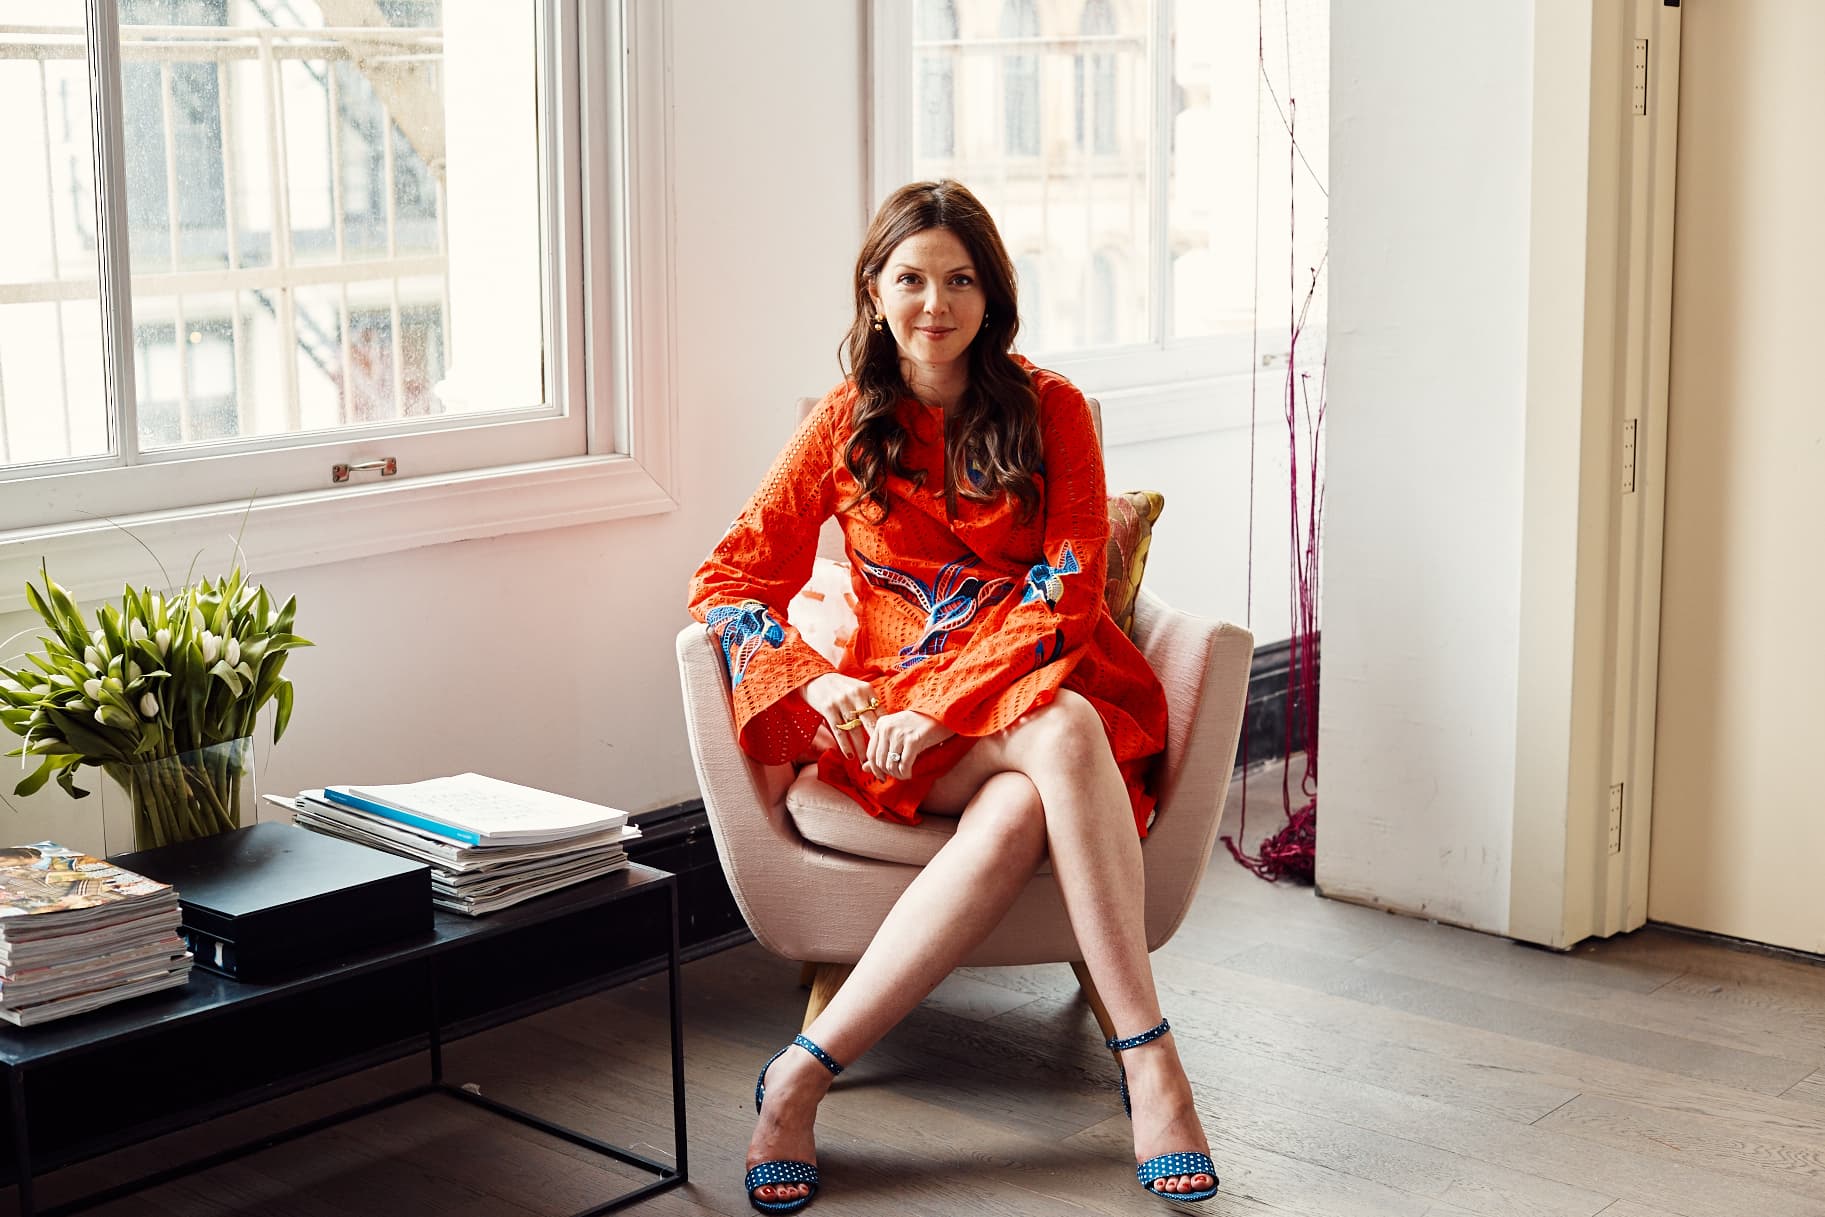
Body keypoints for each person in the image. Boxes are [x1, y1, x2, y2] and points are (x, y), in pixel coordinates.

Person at [688, 179, 1218, 1213]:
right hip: (895, 726)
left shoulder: (1050, 408)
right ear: (875, 293)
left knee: (1044, 761)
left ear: (992, 293)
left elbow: (1068, 588)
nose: (936, 303)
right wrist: (820, 677)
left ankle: (800, 1073)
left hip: (1036, 692)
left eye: (961, 279)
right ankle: (1151, 1060)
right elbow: (728, 579)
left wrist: (950, 702)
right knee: (1058, 740)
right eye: (912, 279)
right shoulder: (841, 423)